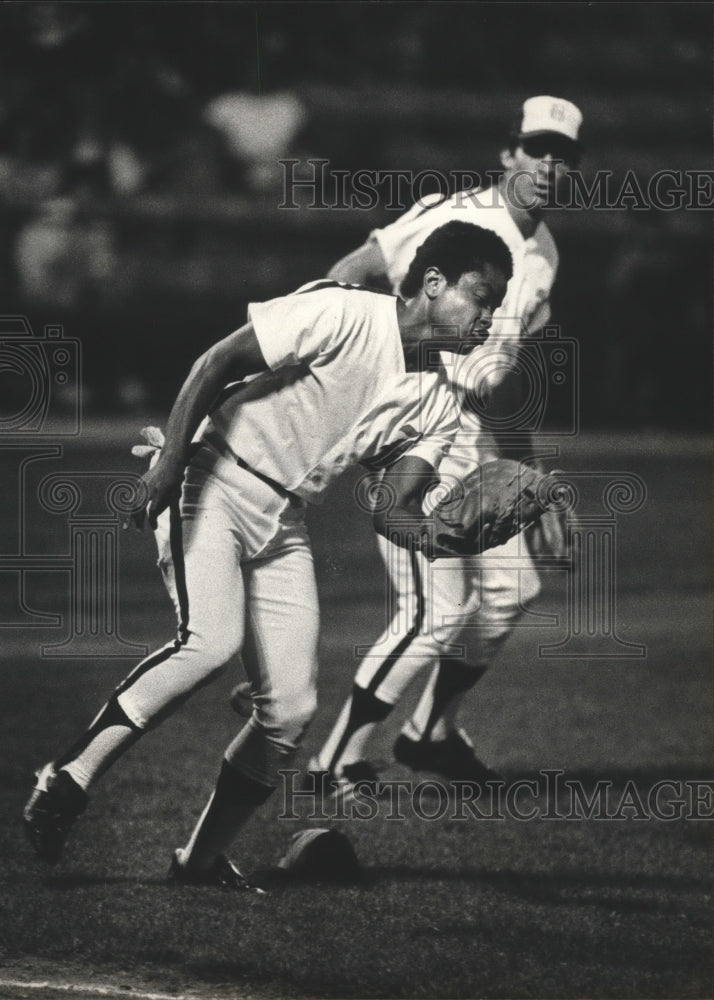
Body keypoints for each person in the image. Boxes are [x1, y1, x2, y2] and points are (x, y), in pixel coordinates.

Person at [23, 220, 512, 890]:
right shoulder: (345, 311)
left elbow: (394, 509)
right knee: (209, 642)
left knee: (289, 710)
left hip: (282, 520)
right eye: (481, 296)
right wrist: (167, 466)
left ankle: (196, 864)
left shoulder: (441, 401)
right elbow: (217, 361)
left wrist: (453, 533)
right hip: (212, 478)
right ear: (432, 283)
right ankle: (67, 778)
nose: (489, 317)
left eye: (496, 304)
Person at [304, 95, 584, 797]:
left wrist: (530, 474)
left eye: (564, 155)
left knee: (514, 588)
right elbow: (356, 268)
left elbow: (505, 371)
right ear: (508, 153)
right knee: (436, 611)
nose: (548, 164)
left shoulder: (544, 252)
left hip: (474, 434)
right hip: (416, 421)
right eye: (537, 148)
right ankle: (331, 762)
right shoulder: (456, 217)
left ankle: (428, 731)